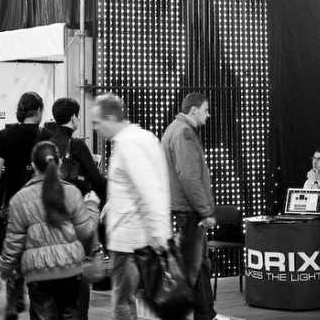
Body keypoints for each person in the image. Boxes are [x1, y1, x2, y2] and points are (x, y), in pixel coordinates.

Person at [90, 93, 171, 320]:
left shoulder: (128, 145)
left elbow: (149, 189)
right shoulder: (143, 138)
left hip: (128, 242)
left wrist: (159, 232)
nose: (95, 128)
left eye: (97, 122)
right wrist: (113, 204)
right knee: (142, 303)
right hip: (139, 239)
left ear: (110, 118)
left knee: (123, 305)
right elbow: (139, 184)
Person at [0, 141, 100, 320]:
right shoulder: (72, 192)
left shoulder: (19, 199)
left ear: (33, 165)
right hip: (71, 270)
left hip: (39, 275)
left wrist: (5, 271)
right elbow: (86, 231)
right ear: (59, 163)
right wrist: (92, 206)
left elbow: (13, 243)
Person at [0, 91, 54, 320]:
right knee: (38, 254)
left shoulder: (4, 135)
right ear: (38, 111)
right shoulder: (48, 137)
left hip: (13, 205)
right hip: (40, 206)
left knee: (14, 250)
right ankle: (37, 303)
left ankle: (14, 298)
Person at [161, 92, 227, 320]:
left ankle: (206, 313)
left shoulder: (174, 129)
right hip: (189, 210)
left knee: (196, 265)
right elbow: (189, 177)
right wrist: (205, 211)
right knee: (198, 266)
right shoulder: (184, 132)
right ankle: (205, 315)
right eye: (206, 110)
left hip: (184, 208)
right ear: (194, 110)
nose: (208, 115)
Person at [50, 97, 107, 320]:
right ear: (74, 117)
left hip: (50, 216)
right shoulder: (77, 145)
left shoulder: (45, 145)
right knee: (79, 273)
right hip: (75, 216)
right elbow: (97, 180)